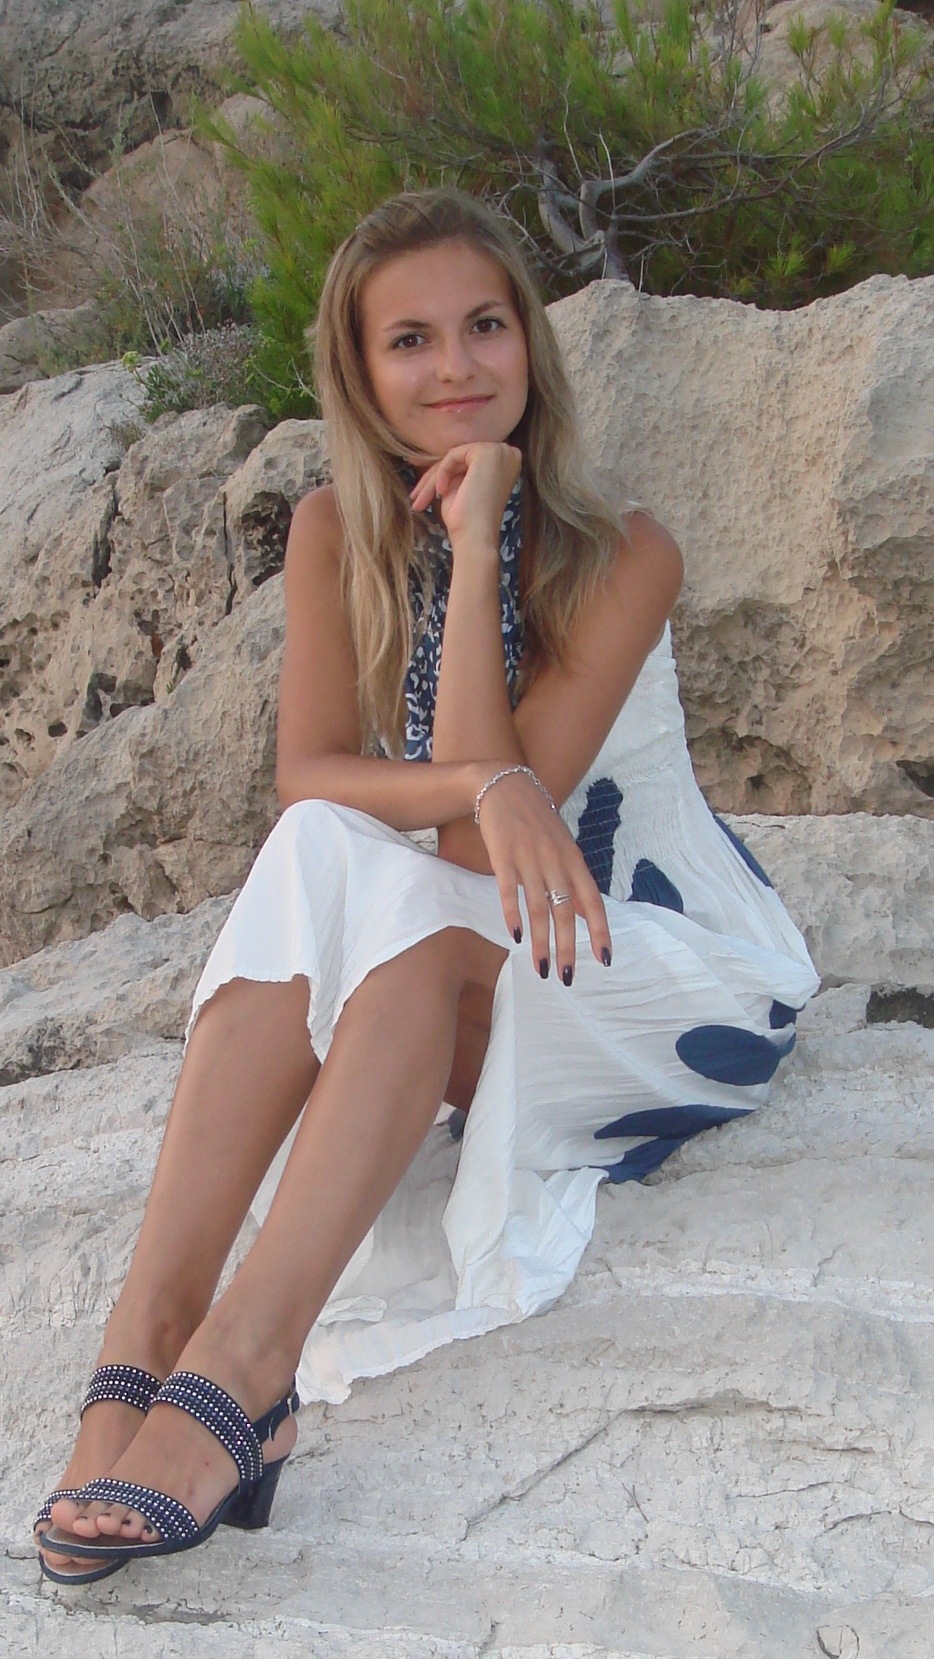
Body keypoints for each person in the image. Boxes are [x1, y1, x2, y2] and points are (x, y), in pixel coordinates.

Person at [36, 187, 820, 1584]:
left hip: (651, 965)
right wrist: (485, 784)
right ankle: (145, 1337)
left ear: (530, 343)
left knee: (406, 893)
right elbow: (311, 779)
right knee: (320, 851)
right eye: (409, 340)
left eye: (484, 327)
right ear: (358, 371)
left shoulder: (624, 551)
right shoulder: (331, 534)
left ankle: (246, 1365)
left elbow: (467, 855)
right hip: (483, 948)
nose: (455, 367)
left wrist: (477, 547)